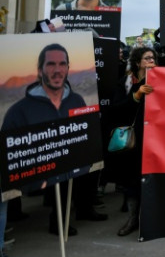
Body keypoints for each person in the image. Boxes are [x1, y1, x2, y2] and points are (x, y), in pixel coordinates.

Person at [2, 43, 106, 237]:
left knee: (69, 185)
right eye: (51, 64)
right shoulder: (19, 111)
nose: (57, 70)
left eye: (62, 64)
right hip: (40, 172)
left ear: (68, 67)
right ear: (40, 69)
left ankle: (63, 220)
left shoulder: (77, 101)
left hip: (71, 166)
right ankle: (54, 221)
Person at [110, 47, 156, 236]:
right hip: (134, 140)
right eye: (147, 58)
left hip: (154, 139)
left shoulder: (162, 81)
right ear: (138, 63)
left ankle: (150, 219)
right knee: (133, 181)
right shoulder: (127, 83)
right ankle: (132, 219)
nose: (151, 61)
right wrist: (136, 96)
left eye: (153, 58)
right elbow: (116, 110)